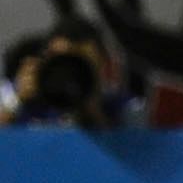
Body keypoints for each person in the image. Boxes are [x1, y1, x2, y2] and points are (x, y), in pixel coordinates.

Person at [0, 16, 141, 128]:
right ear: (46, 61)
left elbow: (136, 153)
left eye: (81, 63)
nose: (72, 72)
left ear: (102, 65)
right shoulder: (17, 98)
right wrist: (16, 101)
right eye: (63, 61)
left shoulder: (123, 107)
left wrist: (94, 111)